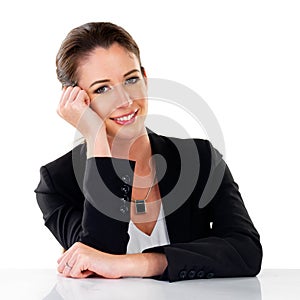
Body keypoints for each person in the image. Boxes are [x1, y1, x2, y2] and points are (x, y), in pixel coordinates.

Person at [34, 22, 262, 282]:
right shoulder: (57, 183)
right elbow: (98, 258)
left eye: (131, 79)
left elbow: (246, 251)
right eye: (102, 89)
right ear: (76, 99)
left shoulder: (200, 159)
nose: (125, 100)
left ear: (145, 78)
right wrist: (96, 137)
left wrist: (143, 263)